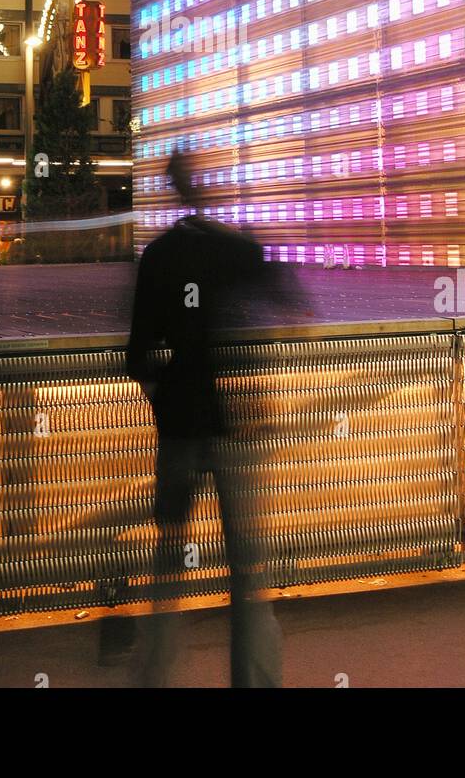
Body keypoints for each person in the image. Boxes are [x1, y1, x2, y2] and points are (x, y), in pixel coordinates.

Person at [126, 148, 286, 688]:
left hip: (179, 425)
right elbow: (288, 310)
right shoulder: (238, 251)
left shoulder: (158, 257)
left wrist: (166, 397)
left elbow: (138, 355)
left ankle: (156, 678)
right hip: (237, 424)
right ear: (208, 189)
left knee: (170, 560)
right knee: (248, 568)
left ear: (172, 190)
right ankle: (256, 680)